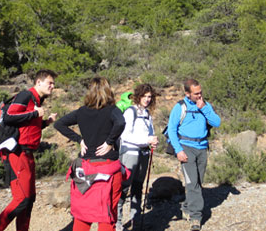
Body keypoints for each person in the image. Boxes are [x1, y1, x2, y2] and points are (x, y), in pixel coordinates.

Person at [0, 70, 58, 231]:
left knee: (29, 199)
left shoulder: (37, 101)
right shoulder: (25, 96)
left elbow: (27, 126)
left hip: (27, 154)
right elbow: (9, 117)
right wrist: (34, 113)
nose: (53, 86)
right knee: (22, 199)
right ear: (38, 82)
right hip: (17, 153)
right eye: (50, 82)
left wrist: (46, 122)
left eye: (53, 83)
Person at [54, 76, 126, 231]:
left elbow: (59, 123)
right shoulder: (113, 110)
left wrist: (79, 139)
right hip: (108, 168)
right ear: (108, 91)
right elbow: (120, 122)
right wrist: (109, 142)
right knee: (107, 215)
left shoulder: (81, 112)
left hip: (86, 169)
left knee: (83, 216)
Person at [166, 78, 221, 231]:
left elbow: (217, 122)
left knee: (198, 181)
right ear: (187, 93)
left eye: (200, 92)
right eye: (196, 93)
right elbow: (171, 130)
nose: (199, 95)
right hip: (186, 147)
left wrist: (204, 108)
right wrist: (179, 150)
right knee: (192, 183)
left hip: (202, 147)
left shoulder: (205, 105)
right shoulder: (180, 107)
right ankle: (196, 217)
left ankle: (186, 206)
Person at [116, 84, 158, 231]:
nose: (147, 99)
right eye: (144, 96)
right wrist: (146, 140)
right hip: (130, 153)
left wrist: (152, 141)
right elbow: (125, 135)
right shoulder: (130, 112)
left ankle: (136, 220)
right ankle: (117, 222)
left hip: (144, 153)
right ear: (138, 96)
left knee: (138, 186)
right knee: (123, 186)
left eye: (149, 97)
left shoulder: (147, 114)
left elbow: (149, 133)